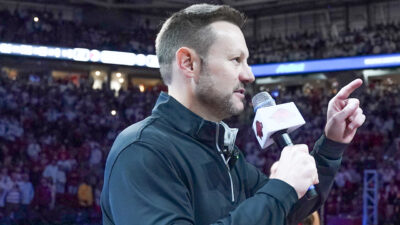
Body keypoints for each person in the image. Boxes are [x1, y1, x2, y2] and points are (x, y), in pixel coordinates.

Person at [101, 4, 365, 225]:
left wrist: (331, 143)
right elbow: (277, 199)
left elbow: (287, 210)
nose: (249, 75)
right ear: (189, 63)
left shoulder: (222, 150)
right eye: (236, 60)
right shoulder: (142, 150)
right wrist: (281, 188)